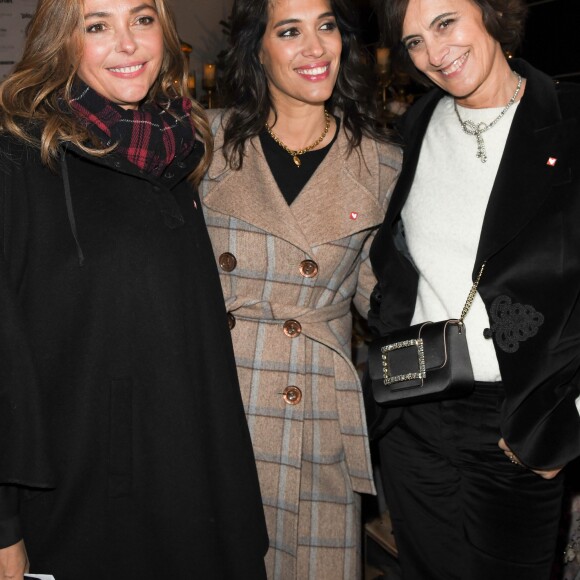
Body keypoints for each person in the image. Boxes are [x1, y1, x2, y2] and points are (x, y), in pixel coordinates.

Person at [0, 0, 269, 577]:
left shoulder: (180, 148)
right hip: (79, 506)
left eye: (142, 19)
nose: (128, 43)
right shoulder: (21, 155)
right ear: (61, 42)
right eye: (98, 26)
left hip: (193, 488)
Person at [366, 0, 580, 578]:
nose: (434, 55)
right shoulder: (418, 123)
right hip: (416, 413)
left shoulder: (568, 118)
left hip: (521, 417)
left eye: (445, 24)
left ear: (492, 14)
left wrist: (568, 421)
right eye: (413, 42)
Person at [199, 0, 401, 577]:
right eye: (290, 31)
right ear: (256, 49)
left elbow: (386, 300)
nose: (315, 48)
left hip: (318, 414)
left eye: (327, 26)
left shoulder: (383, 166)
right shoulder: (205, 146)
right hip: (218, 404)